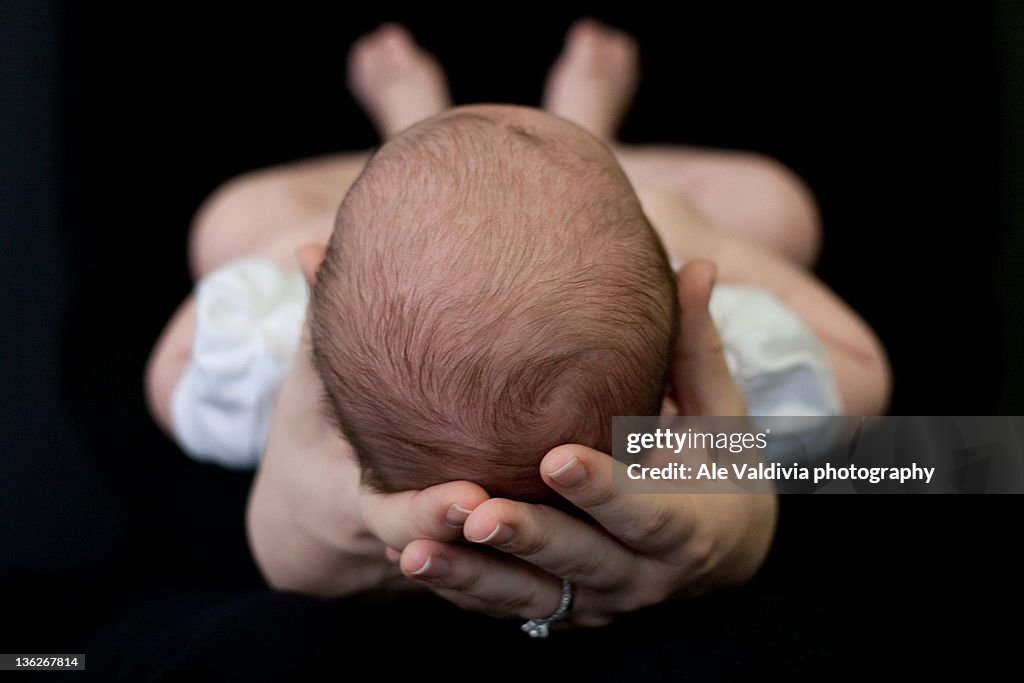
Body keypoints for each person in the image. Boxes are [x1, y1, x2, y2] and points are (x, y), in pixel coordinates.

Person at [145, 20, 889, 627]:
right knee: (777, 209)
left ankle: (413, 135)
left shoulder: (267, 362)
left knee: (228, 226)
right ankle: (582, 138)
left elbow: (165, 377)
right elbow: (881, 384)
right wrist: (705, 242)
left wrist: (299, 248)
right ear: (672, 377)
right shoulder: (735, 391)